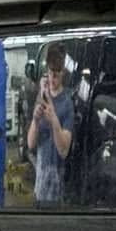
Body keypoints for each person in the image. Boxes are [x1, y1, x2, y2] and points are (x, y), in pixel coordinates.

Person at [27, 42, 75, 204]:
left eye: (56, 74)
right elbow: (30, 144)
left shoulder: (67, 104)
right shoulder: (42, 97)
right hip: (40, 184)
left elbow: (63, 151)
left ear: (63, 72)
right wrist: (35, 120)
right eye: (50, 73)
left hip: (57, 186)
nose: (52, 78)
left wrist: (54, 118)